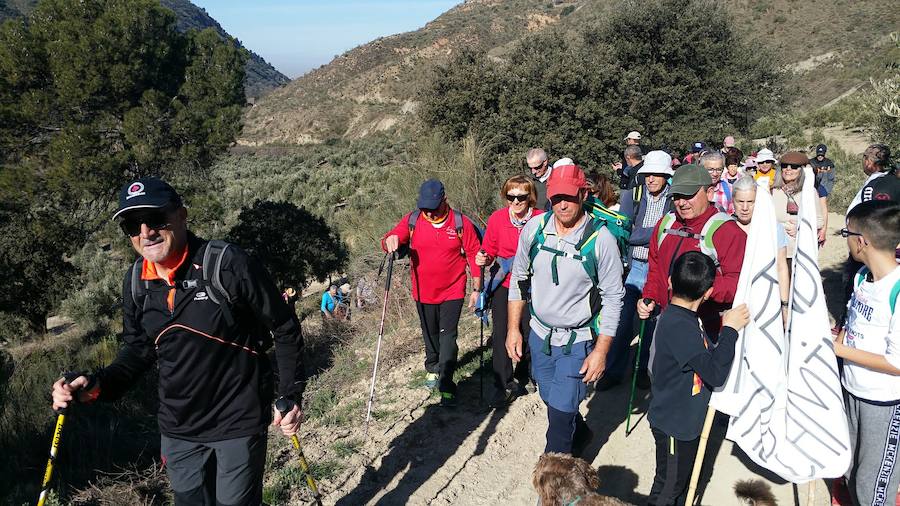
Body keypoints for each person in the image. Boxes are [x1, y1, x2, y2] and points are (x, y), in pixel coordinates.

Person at [51, 177, 304, 506]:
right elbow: (138, 352)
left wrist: (290, 393)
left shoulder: (226, 264)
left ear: (181, 216)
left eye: (155, 219)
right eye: (132, 225)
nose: (145, 233)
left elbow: (283, 326)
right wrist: (95, 384)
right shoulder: (135, 283)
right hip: (178, 430)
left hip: (238, 421)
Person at [507, 162, 624, 455]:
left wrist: (601, 351)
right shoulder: (534, 229)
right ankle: (581, 433)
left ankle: (553, 489)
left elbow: (613, 298)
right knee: (550, 397)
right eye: (557, 197)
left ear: (583, 194)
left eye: (570, 197)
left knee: (558, 424)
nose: (562, 204)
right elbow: (519, 280)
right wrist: (513, 330)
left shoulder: (601, 241)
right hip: (539, 336)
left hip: (577, 342)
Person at [647, 251, 750, 506]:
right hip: (674, 425)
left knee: (682, 482)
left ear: (671, 281)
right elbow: (714, 373)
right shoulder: (679, 326)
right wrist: (729, 330)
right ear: (708, 292)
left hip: (686, 422)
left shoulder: (687, 318)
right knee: (669, 486)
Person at [382, 179, 482, 407]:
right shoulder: (413, 220)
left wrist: (477, 289)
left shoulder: (460, 222)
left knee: (448, 335)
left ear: (444, 201)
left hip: (453, 289)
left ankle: (446, 380)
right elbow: (390, 239)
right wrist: (390, 240)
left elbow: (475, 255)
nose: (429, 212)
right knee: (430, 333)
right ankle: (432, 366)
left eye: (433, 207)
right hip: (422, 290)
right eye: (424, 207)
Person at [832, 201, 900, 506]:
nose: (845, 238)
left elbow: (897, 363)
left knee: (873, 486)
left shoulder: (896, 291)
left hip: (883, 405)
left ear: (862, 241)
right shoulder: (861, 277)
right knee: (849, 470)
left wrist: (838, 349)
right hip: (851, 391)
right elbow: (851, 321)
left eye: (847, 232)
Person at [637, 164, 747, 340]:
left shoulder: (728, 231)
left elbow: (739, 282)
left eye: (689, 195)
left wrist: (697, 289)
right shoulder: (665, 224)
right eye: (677, 196)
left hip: (707, 332)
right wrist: (649, 296)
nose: (681, 202)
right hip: (668, 323)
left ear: (709, 192)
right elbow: (655, 268)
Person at [602, 150, 674, 391]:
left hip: (658, 270)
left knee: (651, 323)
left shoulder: (674, 200)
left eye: (656, 174)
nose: (651, 179)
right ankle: (614, 370)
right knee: (622, 321)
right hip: (634, 267)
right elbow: (624, 230)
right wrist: (653, 233)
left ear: (666, 176)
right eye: (647, 174)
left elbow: (666, 234)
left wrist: (642, 234)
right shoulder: (632, 195)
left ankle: (643, 369)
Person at [476, 175, 544, 407]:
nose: (515, 202)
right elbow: (489, 251)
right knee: (502, 333)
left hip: (534, 283)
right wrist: (483, 258)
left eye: (521, 197)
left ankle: (528, 372)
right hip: (505, 283)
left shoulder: (541, 218)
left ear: (530, 197)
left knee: (529, 329)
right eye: (510, 197)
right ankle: (502, 383)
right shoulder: (497, 219)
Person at [731, 176, 791, 326]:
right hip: (733, 302)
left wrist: (784, 306)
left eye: (750, 202)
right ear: (733, 201)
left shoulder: (772, 227)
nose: (745, 208)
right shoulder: (725, 226)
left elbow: (781, 267)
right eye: (740, 202)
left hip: (765, 299)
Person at [772, 151, 824, 265]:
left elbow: (819, 221)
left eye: (794, 167)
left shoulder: (809, 192)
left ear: (802, 170)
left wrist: (801, 229)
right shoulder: (773, 192)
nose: (788, 169)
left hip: (800, 251)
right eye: (785, 166)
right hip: (776, 251)